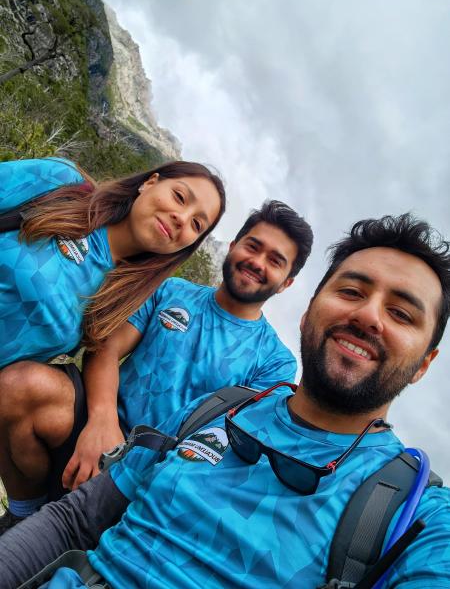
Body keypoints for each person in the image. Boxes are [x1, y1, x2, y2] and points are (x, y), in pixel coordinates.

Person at [2, 213, 449, 589]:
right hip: (126, 457)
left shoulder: (414, 515)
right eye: (351, 291)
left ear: (424, 364)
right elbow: (75, 522)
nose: (368, 315)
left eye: (401, 313)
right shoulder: (221, 404)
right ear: (311, 307)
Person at [0, 200, 313, 529]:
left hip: (159, 478)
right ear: (234, 246)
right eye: (253, 246)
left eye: (275, 261)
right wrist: (102, 422)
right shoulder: (171, 291)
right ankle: (23, 513)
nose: (257, 262)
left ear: (286, 282)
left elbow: (231, 448)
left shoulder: (276, 362)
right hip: (95, 428)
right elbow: (106, 347)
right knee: (19, 386)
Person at [0, 156, 226, 367]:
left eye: (196, 225)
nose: (182, 218)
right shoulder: (62, 181)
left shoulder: (123, 302)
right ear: (149, 183)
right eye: (179, 197)